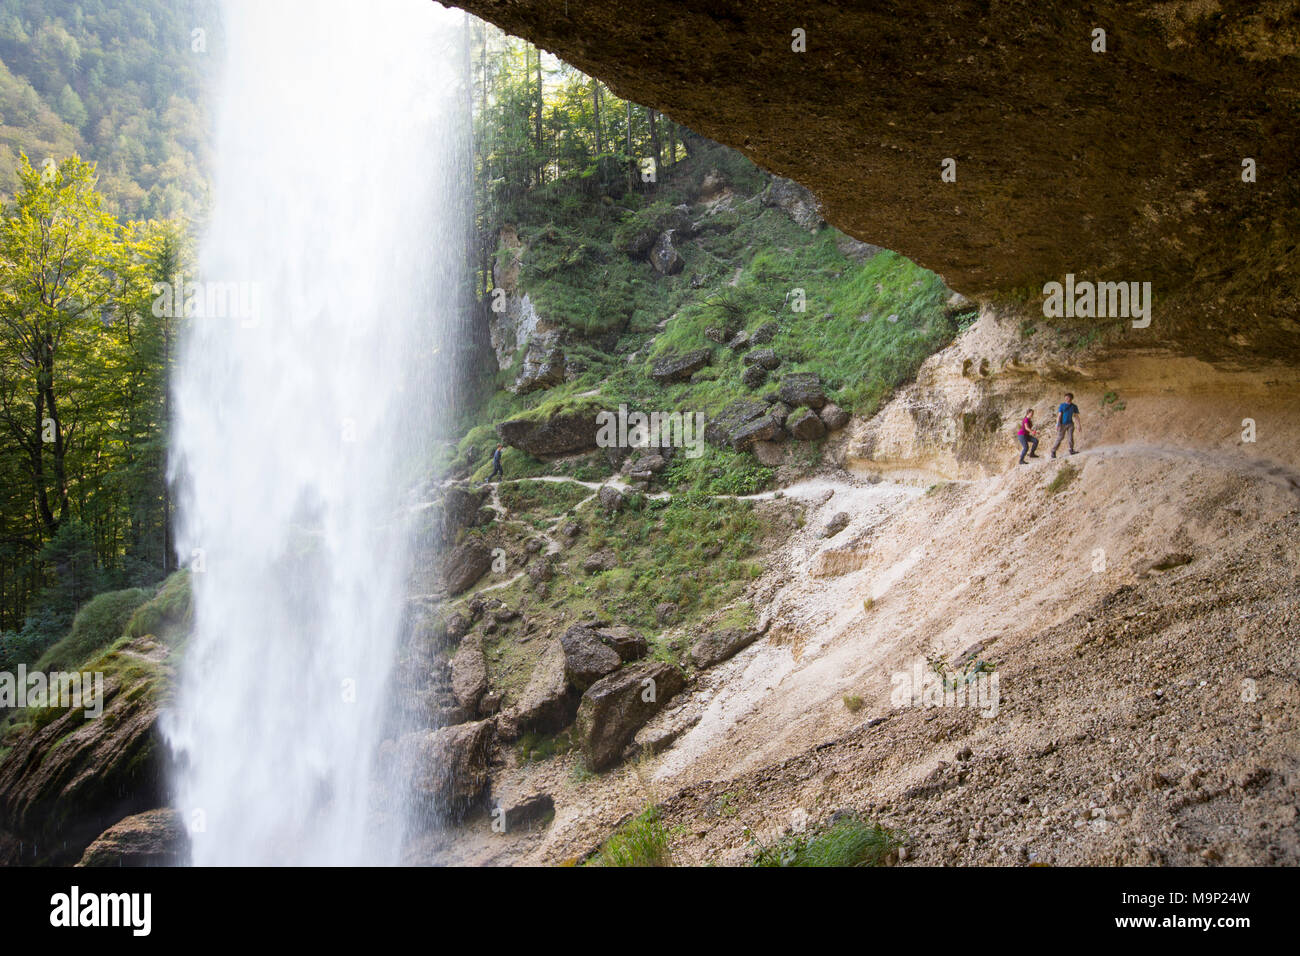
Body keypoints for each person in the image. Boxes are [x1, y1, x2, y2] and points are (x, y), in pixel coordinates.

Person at [1052, 392, 1081, 458]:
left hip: (1070, 424)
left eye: (1067, 397)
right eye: (1065, 397)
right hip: (1062, 424)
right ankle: (1053, 451)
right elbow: (1059, 415)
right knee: (1060, 438)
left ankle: (1071, 450)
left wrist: (1079, 425)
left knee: (1070, 437)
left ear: (1071, 398)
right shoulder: (1062, 405)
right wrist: (1057, 424)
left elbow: (1076, 416)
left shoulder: (1074, 406)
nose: (1066, 398)